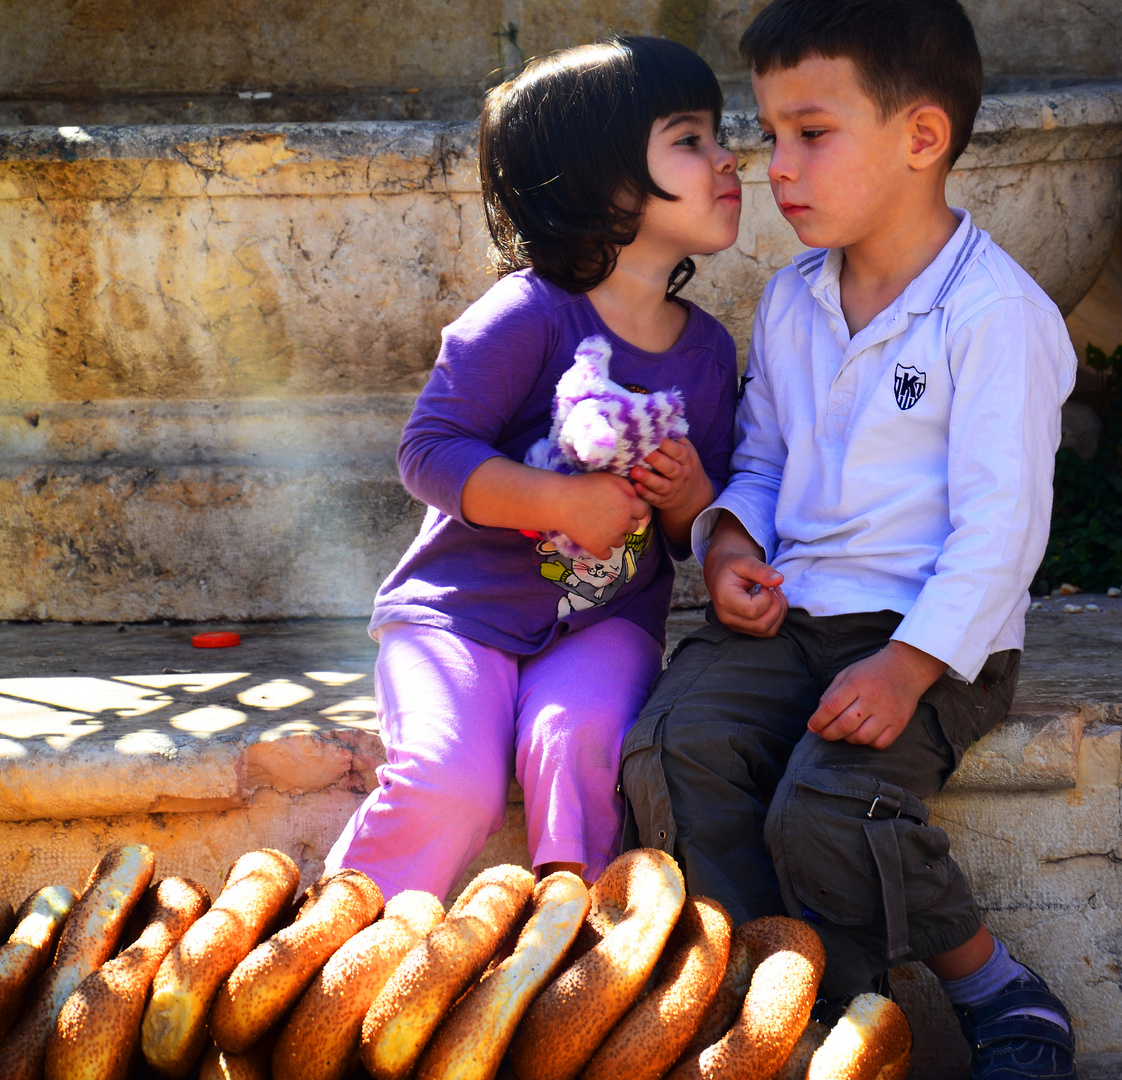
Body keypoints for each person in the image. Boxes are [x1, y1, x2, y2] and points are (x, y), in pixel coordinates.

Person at [620, 2, 1079, 1078]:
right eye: (770, 134)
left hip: (931, 638)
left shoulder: (994, 317)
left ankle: (990, 984)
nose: (778, 167)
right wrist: (730, 547)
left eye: (811, 133)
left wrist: (911, 663)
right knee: (675, 748)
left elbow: (1002, 525)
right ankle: (778, 1009)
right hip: (793, 622)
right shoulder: (791, 303)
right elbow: (767, 465)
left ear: (921, 138)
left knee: (828, 807)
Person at [324, 37, 740, 905]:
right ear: (606, 179)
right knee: (450, 782)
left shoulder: (706, 352)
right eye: (690, 139)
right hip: (457, 616)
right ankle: (342, 942)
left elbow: (698, 524)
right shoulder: (527, 315)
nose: (728, 157)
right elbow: (428, 452)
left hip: (604, 622)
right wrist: (560, 499)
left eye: (718, 134)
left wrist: (688, 498)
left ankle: (571, 946)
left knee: (576, 743)